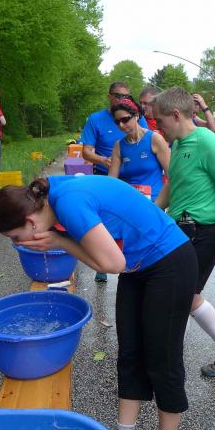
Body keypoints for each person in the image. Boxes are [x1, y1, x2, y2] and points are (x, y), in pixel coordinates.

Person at [0, 176, 197, 430]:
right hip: (137, 266)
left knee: (161, 358)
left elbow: (112, 263)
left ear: (31, 223)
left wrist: (60, 242)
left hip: (169, 262)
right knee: (129, 352)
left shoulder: (68, 203)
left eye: (15, 237)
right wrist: (61, 240)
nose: (17, 244)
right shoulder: (45, 198)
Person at [151, 87, 215, 377]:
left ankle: (173, 362)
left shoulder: (207, 142)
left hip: (205, 233)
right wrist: (151, 214)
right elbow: (173, 185)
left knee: (183, 295)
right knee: (184, 295)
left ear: (175, 115)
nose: (158, 127)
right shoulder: (179, 144)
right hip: (182, 232)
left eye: (160, 120)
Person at [80, 81, 148, 282]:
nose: (122, 100)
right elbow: (86, 152)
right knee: (104, 221)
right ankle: (103, 264)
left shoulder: (136, 117)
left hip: (133, 176)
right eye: (118, 96)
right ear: (109, 96)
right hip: (105, 173)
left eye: (126, 96)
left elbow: (145, 141)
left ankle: (135, 262)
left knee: (133, 219)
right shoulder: (96, 119)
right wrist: (105, 160)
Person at [109, 98, 170, 202]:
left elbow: (172, 177)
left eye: (125, 119)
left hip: (154, 202)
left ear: (136, 116)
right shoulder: (119, 145)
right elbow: (111, 181)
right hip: (131, 201)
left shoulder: (155, 139)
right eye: (117, 122)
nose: (121, 125)